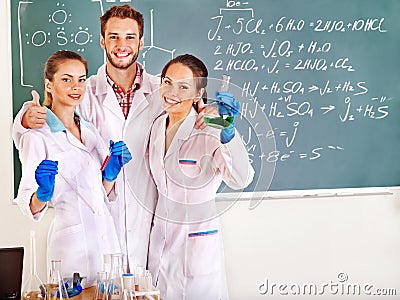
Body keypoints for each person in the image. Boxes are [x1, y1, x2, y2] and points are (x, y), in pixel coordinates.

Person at [12, 4, 191, 272]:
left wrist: (216, 116)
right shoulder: (85, 90)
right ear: (102, 41)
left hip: (151, 219)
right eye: (113, 36)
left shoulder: (161, 91)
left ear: (141, 42)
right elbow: (45, 123)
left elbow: (193, 114)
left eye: (130, 37)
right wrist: (24, 119)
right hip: (101, 225)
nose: (122, 45)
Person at [14, 50, 132, 286]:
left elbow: (100, 192)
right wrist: (43, 193)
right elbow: (28, 202)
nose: (75, 87)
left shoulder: (88, 129)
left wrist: (110, 175)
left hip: (107, 240)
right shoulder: (36, 135)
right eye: (66, 79)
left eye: (81, 79)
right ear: (49, 84)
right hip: (71, 248)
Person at [147, 54, 255, 299]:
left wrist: (227, 129)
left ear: (198, 93)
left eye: (183, 86)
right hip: (160, 248)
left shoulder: (210, 126)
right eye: (167, 82)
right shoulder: (156, 127)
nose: (172, 92)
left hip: (196, 252)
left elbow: (241, 178)